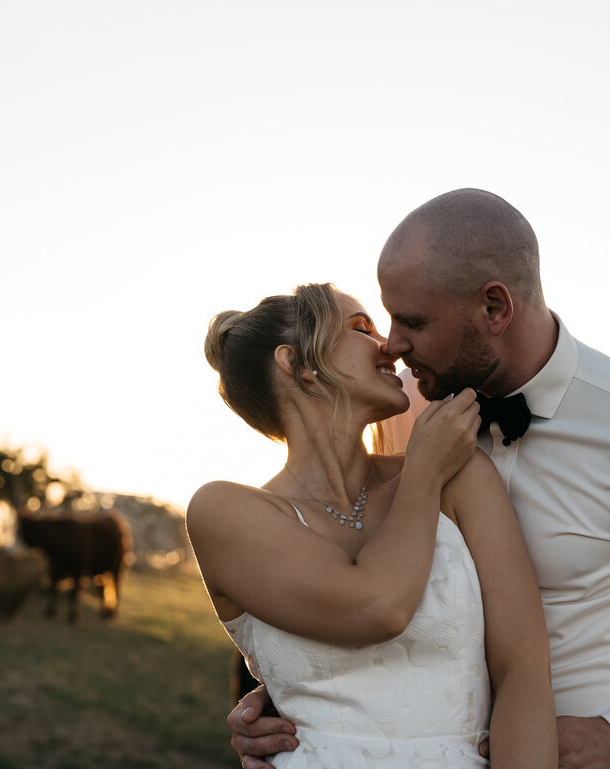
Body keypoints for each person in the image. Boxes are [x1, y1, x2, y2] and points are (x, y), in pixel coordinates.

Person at [229, 190, 610, 769]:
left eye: (412, 320)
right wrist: (294, 691)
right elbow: (356, 569)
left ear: (495, 308)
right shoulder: (402, 409)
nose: (393, 343)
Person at [189, 283, 557, 768]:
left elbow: (524, 672)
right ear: (295, 363)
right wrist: (422, 473)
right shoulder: (224, 512)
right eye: (361, 328)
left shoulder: (463, 477)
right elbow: (377, 608)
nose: (388, 345)